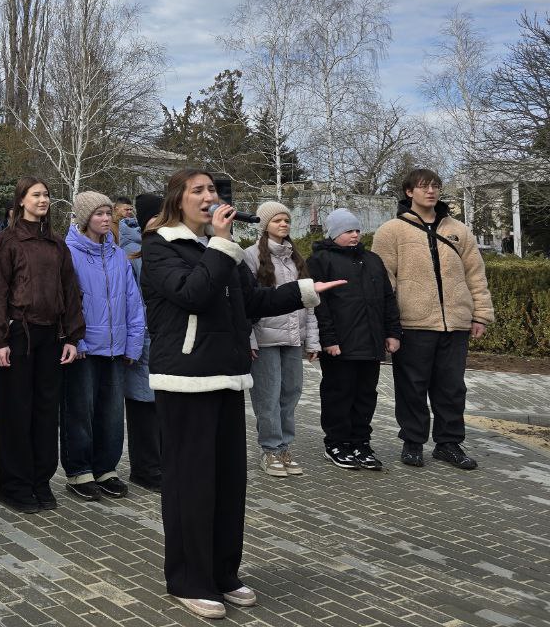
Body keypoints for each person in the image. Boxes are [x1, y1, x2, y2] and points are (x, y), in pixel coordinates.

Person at [141, 169, 342, 621]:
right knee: (190, 485)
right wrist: (221, 244)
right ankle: (189, 580)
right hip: (186, 380)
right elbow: (192, 295)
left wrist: (306, 291)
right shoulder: (161, 247)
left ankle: (223, 574)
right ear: (178, 199)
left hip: (229, 377)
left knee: (228, 484)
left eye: (213, 190)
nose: (210, 197)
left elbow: (253, 303)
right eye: (199, 191)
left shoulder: (222, 250)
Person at [372, 169, 494, 470]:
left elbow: (475, 275)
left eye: (436, 186)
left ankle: (449, 443)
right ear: (409, 191)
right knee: (412, 386)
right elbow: (382, 281)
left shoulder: (459, 230)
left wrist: (480, 314)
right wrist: (388, 325)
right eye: (424, 186)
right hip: (413, 324)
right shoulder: (391, 231)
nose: (431, 191)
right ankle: (413, 442)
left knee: (452, 387)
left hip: (455, 323)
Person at [0, 177, 86, 514]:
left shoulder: (57, 244)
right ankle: (15, 486)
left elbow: (70, 292)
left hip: (51, 338)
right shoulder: (7, 241)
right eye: (36, 195)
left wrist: (72, 336)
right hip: (18, 336)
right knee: (17, 412)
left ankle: (40, 481)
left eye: (46, 195)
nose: (43, 200)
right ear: (22, 201)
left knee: (46, 412)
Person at [61, 191, 146, 501]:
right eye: (99, 214)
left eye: (108, 213)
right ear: (85, 218)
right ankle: (79, 471)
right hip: (84, 349)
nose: (106, 218)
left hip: (115, 347)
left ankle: (106, 468)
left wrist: (132, 344)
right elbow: (68, 303)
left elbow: (132, 301)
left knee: (111, 412)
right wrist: (76, 339)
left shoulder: (118, 255)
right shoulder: (69, 252)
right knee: (80, 410)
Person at [307, 208, 401, 470]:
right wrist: (328, 339)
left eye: (357, 230)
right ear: (335, 233)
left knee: (365, 395)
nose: (355, 235)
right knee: (339, 394)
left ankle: (361, 442)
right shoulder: (320, 261)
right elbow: (318, 305)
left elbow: (387, 299)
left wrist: (392, 333)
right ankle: (336, 443)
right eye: (348, 231)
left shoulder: (373, 260)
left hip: (370, 343)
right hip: (340, 345)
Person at [241, 201, 319, 478]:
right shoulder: (250, 256)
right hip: (264, 339)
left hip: (293, 338)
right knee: (267, 397)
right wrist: (249, 339)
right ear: (264, 225)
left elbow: (308, 302)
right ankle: (270, 449)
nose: (283, 224)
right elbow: (246, 304)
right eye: (277, 220)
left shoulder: (295, 258)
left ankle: (285, 446)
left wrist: (312, 340)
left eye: (286, 220)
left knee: (291, 394)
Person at [122, 192, 163, 493]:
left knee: (160, 408)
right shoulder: (134, 253)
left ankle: (160, 464)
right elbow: (134, 303)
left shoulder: (161, 247)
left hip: (162, 339)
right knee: (142, 408)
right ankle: (145, 469)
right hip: (144, 339)